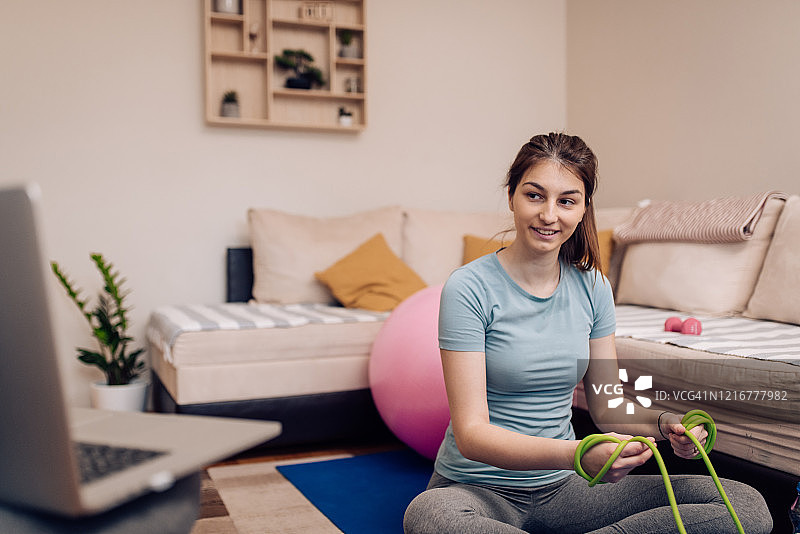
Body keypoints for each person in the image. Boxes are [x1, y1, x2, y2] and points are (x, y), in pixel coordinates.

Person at [403, 133, 772, 534]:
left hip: (565, 491)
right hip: (474, 491)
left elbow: (608, 405)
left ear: (582, 209)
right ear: (511, 196)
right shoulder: (469, 287)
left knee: (745, 506)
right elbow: (472, 435)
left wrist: (667, 423)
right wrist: (577, 453)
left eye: (566, 201)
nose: (549, 215)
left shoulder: (593, 286)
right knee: (429, 517)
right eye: (534, 196)